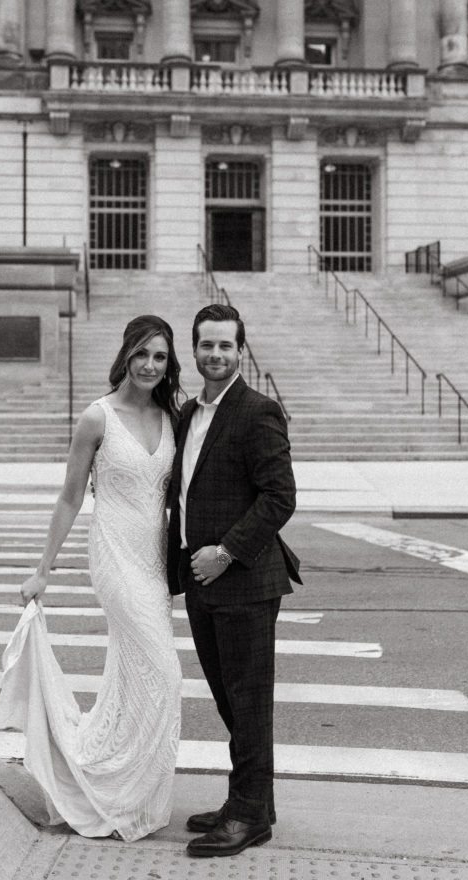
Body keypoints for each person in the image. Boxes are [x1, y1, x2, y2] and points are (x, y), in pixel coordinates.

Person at [0, 315, 184, 843]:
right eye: (141, 353)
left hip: (155, 561)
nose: (150, 365)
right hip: (115, 556)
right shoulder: (97, 418)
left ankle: (124, 787)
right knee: (164, 675)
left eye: (160, 356)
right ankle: (112, 783)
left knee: (132, 674)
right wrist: (42, 570)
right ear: (125, 356)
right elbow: (70, 497)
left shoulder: (172, 416)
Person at [166, 303, 299, 858]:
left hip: (243, 580)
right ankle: (250, 802)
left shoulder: (258, 411)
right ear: (194, 351)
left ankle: (248, 817)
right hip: (200, 583)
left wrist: (225, 552)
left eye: (225, 345)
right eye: (207, 345)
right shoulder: (187, 414)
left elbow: (280, 497)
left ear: (241, 350)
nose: (215, 354)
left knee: (249, 705)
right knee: (230, 702)